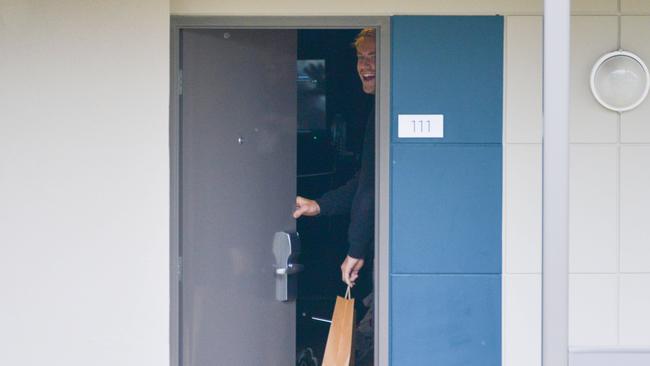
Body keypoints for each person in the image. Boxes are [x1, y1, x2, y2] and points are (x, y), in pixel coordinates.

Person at [293, 28, 376, 365]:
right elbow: (366, 181)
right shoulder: (380, 109)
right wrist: (320, 206)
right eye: (361, 57)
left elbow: (371, 188)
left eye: (373, 57)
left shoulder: (391, 109)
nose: (365, 65)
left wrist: (356, 248)